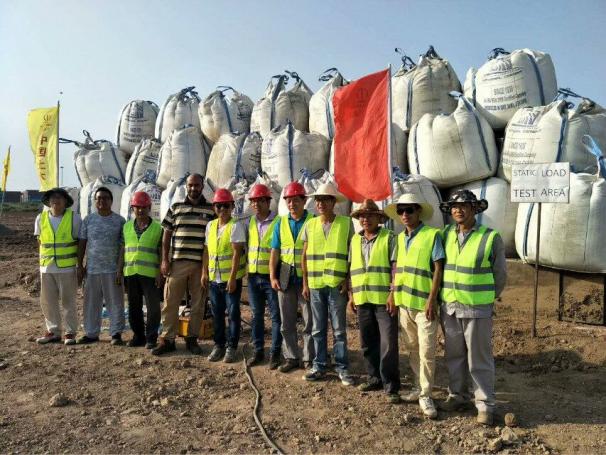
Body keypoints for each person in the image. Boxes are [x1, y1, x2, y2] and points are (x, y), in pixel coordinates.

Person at [437, 189, 507, 426]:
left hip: (477, 308)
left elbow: (500, 275)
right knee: (454, 356)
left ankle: (485, 405)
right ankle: (457, 396)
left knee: (479, 358)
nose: (458, 210)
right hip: (450, 306)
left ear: (474, 209)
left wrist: (486, 298)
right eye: (455, 207)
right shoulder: (445, 234)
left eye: (464, 206)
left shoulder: (490, 237)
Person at [385, 192, 444, 419]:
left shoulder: (432, 235)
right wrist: (392, 294)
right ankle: (419, 387)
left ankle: (426, 394)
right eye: (401, 211)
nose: (405, 214)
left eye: (409, 210)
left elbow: (438, 268)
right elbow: (397, 269)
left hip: (424, 306)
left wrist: (432, 299)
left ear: (418, 211)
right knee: (412, 347)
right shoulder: (400, 238)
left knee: (427, 350)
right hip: (405, 303)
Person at [152, 173, 215, 356]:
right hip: (177, 263)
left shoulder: (211, 210)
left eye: (197, 185)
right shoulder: (176, 207)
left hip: (200, 264)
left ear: (202, 187)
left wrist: (207, 268)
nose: (193, 188)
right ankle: (168, 339)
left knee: (198, 304)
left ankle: (192, 338)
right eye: (190, 185)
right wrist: (165, 260)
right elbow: (166, 235)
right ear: (186, 187)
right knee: (170, 301)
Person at [301, 182, 354, 386]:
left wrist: (347, 281)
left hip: (336, 284)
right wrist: (305, 283)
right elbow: (304, 256)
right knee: (318, 328)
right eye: (318, 200)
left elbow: (352, 255)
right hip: (316, 284)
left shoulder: (345, 224)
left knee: (339, 330)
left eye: (325, 200)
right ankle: (319, 365)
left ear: (333, 202)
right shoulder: (310, 225)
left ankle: (342, 367)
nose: (320, 203)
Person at [348, 199, 400, 403]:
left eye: (370, 215)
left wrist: (393, 293)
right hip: (362, 298)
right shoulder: (355, 240)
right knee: (367, 342)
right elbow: (352, 268)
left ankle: (391, 385)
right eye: (362, 216)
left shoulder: (389, 237)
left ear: (379, 218)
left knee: (388, 343)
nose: (365, 219)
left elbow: (396, 268)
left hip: (383, 300)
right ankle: (374, 378)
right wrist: (351, 295)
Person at [269, 181, 314, 373]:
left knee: (309, 321)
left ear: (304, 201)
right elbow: (275, 252)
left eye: (296, 200)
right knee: (286, 322)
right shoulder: (281, 222)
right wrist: (273, 276)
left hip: (307, 278)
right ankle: (291, 357)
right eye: (289, 200)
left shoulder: (313, 221)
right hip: (285, 277)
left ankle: (309, 358)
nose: (292, 204)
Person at [77, 187, 126, 345]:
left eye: (105, 198)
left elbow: (123, 247)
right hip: (92, 270)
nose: (102, 201)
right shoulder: (88, 220)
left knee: (116, 302)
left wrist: (120, 269)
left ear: (111, 201)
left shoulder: (119, 221)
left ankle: (116, 333)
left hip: (112, 270)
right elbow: (82, 243)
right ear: (95, 201)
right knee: (91, 303)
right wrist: (80, 265)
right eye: (98, 198)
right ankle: (91, 333)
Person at [34, 188, 81, 345]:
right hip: (47, 267)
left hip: (67, 267)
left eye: (60, 198)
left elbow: (80, 242)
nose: (56, 200)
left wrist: (79, 265)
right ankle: (53, 331)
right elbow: (40, 241)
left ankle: (70, 333)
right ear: (48, 202)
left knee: (69, 302)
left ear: (66, 202)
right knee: (48, 301)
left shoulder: (74, 218)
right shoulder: (41, 218)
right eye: (53, 198)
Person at [204, 188, 246, 363]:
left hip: (230, 280)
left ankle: (232, 346)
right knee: (217, 314)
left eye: (226, 206)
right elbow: (207, 251)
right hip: (214, 279)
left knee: (233, 313)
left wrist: (233, 278)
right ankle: (218, 345)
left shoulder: (235, 226)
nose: (222, 209)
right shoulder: (211, 226)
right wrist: (204, 272)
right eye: (219, 206)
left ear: (232, 207)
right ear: (214, 207)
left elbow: (237, 253)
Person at [245, 184, 282, 369]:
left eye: (260, 201)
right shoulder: (250, 222)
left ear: (268, 202)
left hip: (271, 277)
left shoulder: (278, 222)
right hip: (253, 277)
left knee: (276, 316)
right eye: (253, 201)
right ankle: (258, 350)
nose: (256, 204)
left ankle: (275, 353)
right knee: (256, 315)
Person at [123, 191, 163, 350]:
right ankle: (138, 336)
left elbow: (161, 251)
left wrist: (160, 272)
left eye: (144, 207)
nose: (140, 210)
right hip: (131, 272)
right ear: (132, 208)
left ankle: (151, 337)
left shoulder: (157, 228)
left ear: (149, 208)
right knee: (134, 307)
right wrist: (119, 271)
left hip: (150, 274)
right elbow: (122, 249)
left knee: (153, 308)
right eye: (137, 207)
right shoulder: (126, 227)